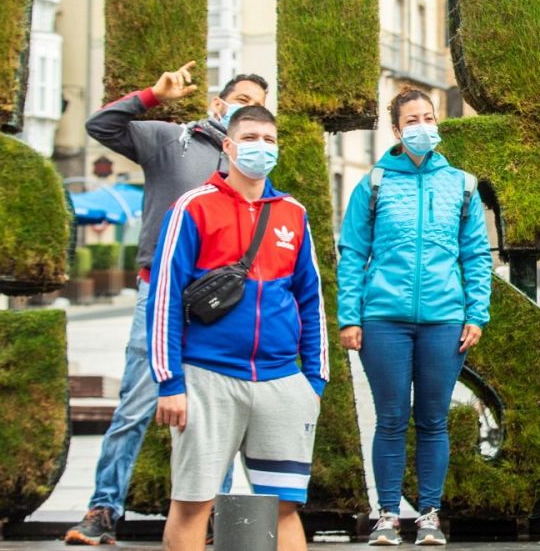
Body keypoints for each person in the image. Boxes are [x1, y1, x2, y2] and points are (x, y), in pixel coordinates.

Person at [67, 62, 266, 544]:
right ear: (219, 104)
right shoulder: (172, 141)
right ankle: (102, 509)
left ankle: (211, 514)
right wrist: (153, 96)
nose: (248, 109)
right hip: (159, 292)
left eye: (258, 102)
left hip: (218, 304)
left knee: (212, 412)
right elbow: (101, 126)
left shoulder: (251, 163)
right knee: (135, 404)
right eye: (240, 98)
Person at [149, 105, 328, 551]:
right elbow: (165, 297)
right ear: (228, 146)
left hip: (282, 380)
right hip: (208, 377)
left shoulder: (292, 213)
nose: (261, 147)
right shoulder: (193, 207)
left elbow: (311, 298)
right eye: (250, 138)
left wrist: (315, 381)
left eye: (270, 139)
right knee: (194, 503)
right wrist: (169, 382)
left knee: (283, 506)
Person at [338, 89, 492, 546]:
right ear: (396, 130)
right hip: (383, 319)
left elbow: (477, 256)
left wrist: (476, 313)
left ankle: (429, 515)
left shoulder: (462, 184)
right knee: (389, 419)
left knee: (433, 420)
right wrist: (351, 317)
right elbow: (352, 254)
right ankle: (386, 514)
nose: (424, 126)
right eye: (413, 120)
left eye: (429, 117)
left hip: (445, 319)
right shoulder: (375, 183)